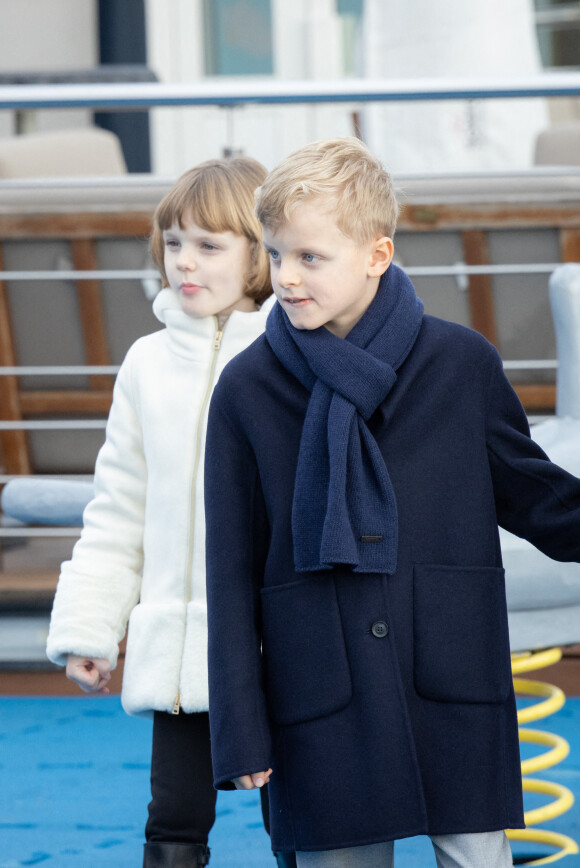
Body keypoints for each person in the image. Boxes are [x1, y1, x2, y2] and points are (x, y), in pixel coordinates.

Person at [204, 137, 580, 867]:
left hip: (450, 677)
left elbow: (538, 498)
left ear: (377, 255)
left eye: (311, 257)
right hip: (321, 691)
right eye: (276, 254)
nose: (286, 277)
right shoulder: (247, 391)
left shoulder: (460, 365)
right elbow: (229, 573)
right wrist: (240, 730)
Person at [46, 157, 289, 868]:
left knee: (303, 828)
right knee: (174, 825)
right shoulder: (146, 364)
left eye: (210, 245)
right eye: (174, 241)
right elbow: (117, 510)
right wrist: (92, 628)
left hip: (282, 652)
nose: (185, 261)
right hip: (182, 652)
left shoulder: (295, 358)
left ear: (258, 254)